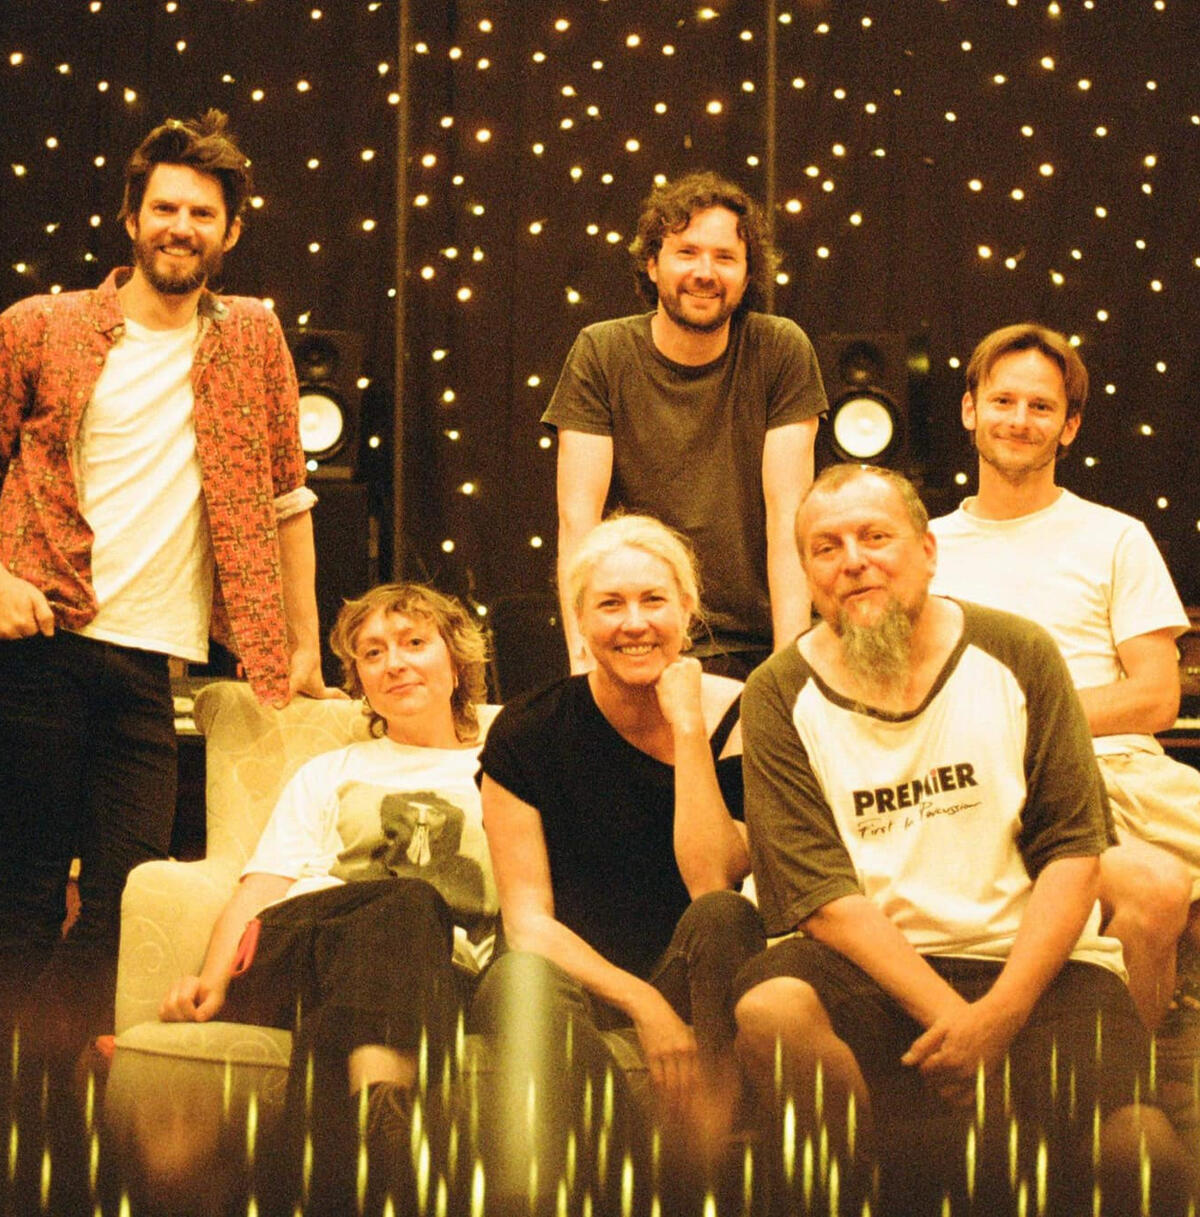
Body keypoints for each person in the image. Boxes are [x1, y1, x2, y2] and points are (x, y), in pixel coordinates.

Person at [732, 464, 1193, 1215]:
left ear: (927, 552)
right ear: (808, 574)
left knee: (1142, 1154)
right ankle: (855, 1188)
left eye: (875, 537)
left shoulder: (1020, 652)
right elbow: (822, 900)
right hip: (870, 970)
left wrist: (1000, 1015)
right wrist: (959, 1022)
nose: (853, 561)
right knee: (771, 1010)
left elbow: (1074, 856)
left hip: (1032, 967)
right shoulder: (777, 692)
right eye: (826, 547)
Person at [0, 109, 338, 1054]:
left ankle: (45, 1082)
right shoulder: (40, 325)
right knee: (24, 894)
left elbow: (288, 500)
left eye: (201, 213)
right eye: (165, 208)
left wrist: (304, 646)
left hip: (152, 667)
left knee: (127, 900)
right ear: (131, 218)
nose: (180, 226)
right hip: (40, 647)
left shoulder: (252, 338)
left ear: (230, 232)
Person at [157, 582, 494, 1213]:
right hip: (299, 945)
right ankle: (388, 1130)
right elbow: (262, 886)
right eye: (373, 653)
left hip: (432, 977)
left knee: (362, 987)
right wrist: (212, 979)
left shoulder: (500, 772)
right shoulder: (330, 772)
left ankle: (342, 1173)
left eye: (414, 643)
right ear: (359, 677)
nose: (393, 663)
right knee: (410, 901)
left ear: (456, 661)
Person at [474, 514, 765, 1212]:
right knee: (519, 978)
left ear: (687, 610)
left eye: (653, 600)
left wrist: (688, 727)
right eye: (610, 604)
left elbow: (711, 880)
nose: (634, 623)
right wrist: (643, 1004)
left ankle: (706, 1164)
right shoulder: (528, 729)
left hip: (686, 967)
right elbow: (528, 923)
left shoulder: (741, 715)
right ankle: (633, 1189)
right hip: (567, 978)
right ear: (579, 622)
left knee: (726, 916)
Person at [929, 322, 1198, 1030]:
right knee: (1152, 888)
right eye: (1003, 401)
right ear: (970, 409)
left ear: (1070, 426)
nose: (1019, 420)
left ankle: (1131, 1073)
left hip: (1118, 772)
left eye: (1041, 406)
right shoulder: (923, 548)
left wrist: (1034, 719)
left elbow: (1156, 696)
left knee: (1156, 888)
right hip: (981, 784)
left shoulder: (1115, 536)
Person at [545, 170, 827, 679]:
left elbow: (789, 520)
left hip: (755, 648)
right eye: (687, 253)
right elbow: (577, 522)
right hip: (636, 641)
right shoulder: (601, 351)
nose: (705, 272)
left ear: (748, 274)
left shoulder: (780, 348)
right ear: (653, 265)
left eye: (725, 257)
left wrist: (787, 673)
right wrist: (584, 667)